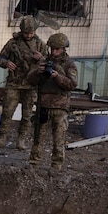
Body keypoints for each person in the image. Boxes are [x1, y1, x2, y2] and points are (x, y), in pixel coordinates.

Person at [0, 15, 46, 150]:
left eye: (31, 33)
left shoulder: (40, 45)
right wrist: (6, 63)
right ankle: (1, 138)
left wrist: (41, 58)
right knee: (7, 112)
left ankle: (21, 139)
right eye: (26, 32)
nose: (28, 35)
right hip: (14, 83)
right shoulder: (13, 43)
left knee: (27, 115)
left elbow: (48, 63)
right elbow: (1, 58)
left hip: (31, 85)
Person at [26, 33, 78, 171]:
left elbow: (72, 84)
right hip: (43, 105)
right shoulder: (44, 61)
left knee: (58, 139)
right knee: (38, 138)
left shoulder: (69, 64)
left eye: (58, 49)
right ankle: (34, 165)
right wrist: (37, 72)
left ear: (63, 49)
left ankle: (56, 166)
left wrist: (57, 77)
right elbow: (30, 80)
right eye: (53, 49)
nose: (54, 52)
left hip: (60, 106)